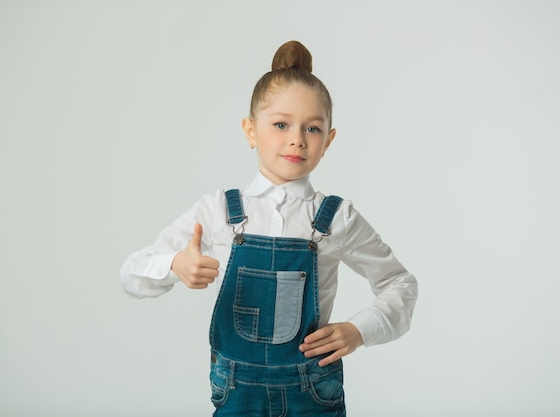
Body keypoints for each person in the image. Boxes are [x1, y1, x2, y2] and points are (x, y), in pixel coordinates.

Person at [120, 40, 418, 417]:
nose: (296, 138)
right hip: (236, 392)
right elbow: (130, 273)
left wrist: (360, 330)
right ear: (250, 131)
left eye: (312, 128)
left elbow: (401, 284)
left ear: (328, 141)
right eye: (280, 124)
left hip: (313, 392)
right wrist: (176, 263)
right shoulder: (217, 211)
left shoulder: (337, 217)